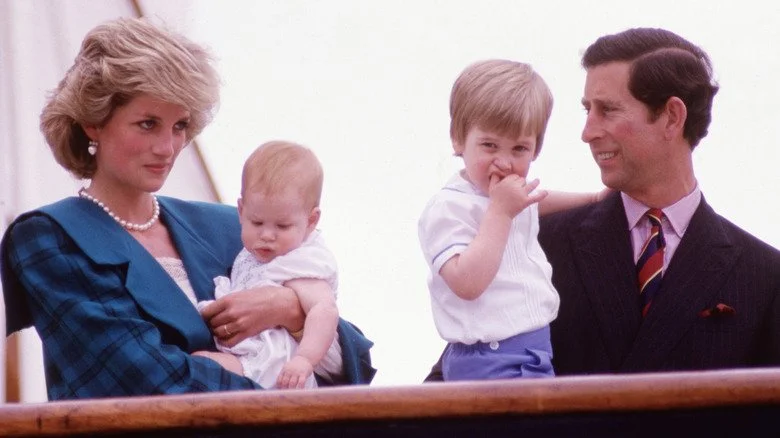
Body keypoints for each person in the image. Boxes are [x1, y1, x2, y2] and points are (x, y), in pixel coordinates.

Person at [0, 17, 374, 400]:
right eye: (148, 124)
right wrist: (276, 386)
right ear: (93, 123)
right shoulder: (50, 237)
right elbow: (145, 383)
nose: (167, 148)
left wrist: (290, 312)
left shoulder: (230, 225)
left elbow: (353, 367)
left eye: (179, 126)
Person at [426, 28, 780, 381]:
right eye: (587, 110)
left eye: (607, 110)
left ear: (672, 117)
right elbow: (456, 389)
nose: (587, 132)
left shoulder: (764, 277)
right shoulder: (532, 239)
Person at [418, 59, 609, 381]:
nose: (504, 162)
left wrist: (590, 199)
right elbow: (467, 283)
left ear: (536, 150)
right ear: (458, 139)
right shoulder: (449, 208)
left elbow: (538, 200)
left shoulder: (504, 198)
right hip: (488, 358)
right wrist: (501, 212)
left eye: (519, 148)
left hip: (533, 348)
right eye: (489, 145)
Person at [195, 140, 340, 390]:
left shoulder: (301, 260)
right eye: (257, 222)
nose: (267, 235)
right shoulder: (255, 252)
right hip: (251, 350)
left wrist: (304, 359)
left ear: (311, 220)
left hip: (277, 361)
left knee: (200, 366)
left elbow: (324, 310)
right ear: (241, 210)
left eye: (282, 226)